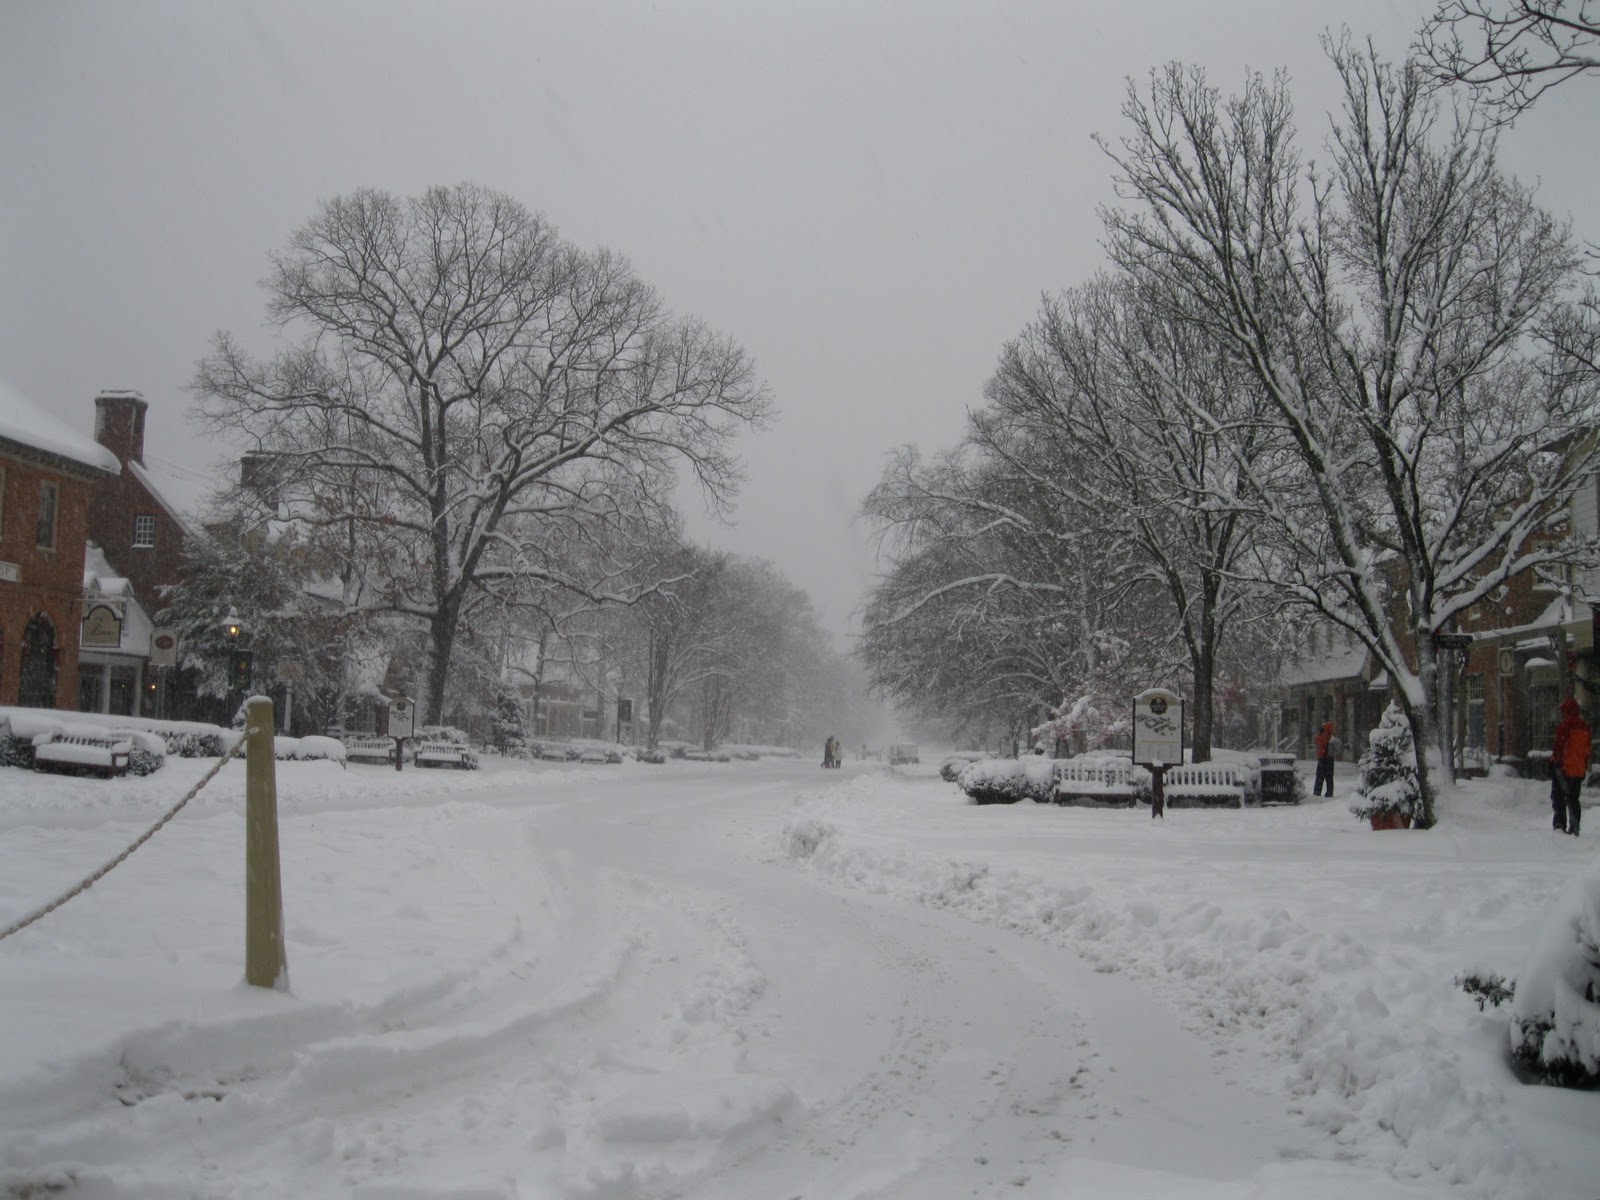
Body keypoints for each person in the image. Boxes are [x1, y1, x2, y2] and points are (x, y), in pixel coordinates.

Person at [1550, 697, 1589, 836]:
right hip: (1578, 769)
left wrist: (1555, 761)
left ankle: (1560, 825)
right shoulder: (1584, 726)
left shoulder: (1565, 725)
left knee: (1558, 797)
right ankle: (1575, 825)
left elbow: (1559, 745)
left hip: (1564, 768)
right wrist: (1582, 765)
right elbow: (1586, 750)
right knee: (1573, 798)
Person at [1313, 721, 1337, 797]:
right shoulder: (1332, 736)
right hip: (1330, 758)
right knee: (1329, 777)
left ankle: (1317, 791)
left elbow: (1315, 741)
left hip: (1322, 758)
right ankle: (1329, 792)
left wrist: (1319, 734)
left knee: (1319, 776)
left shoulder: (1323, 735)